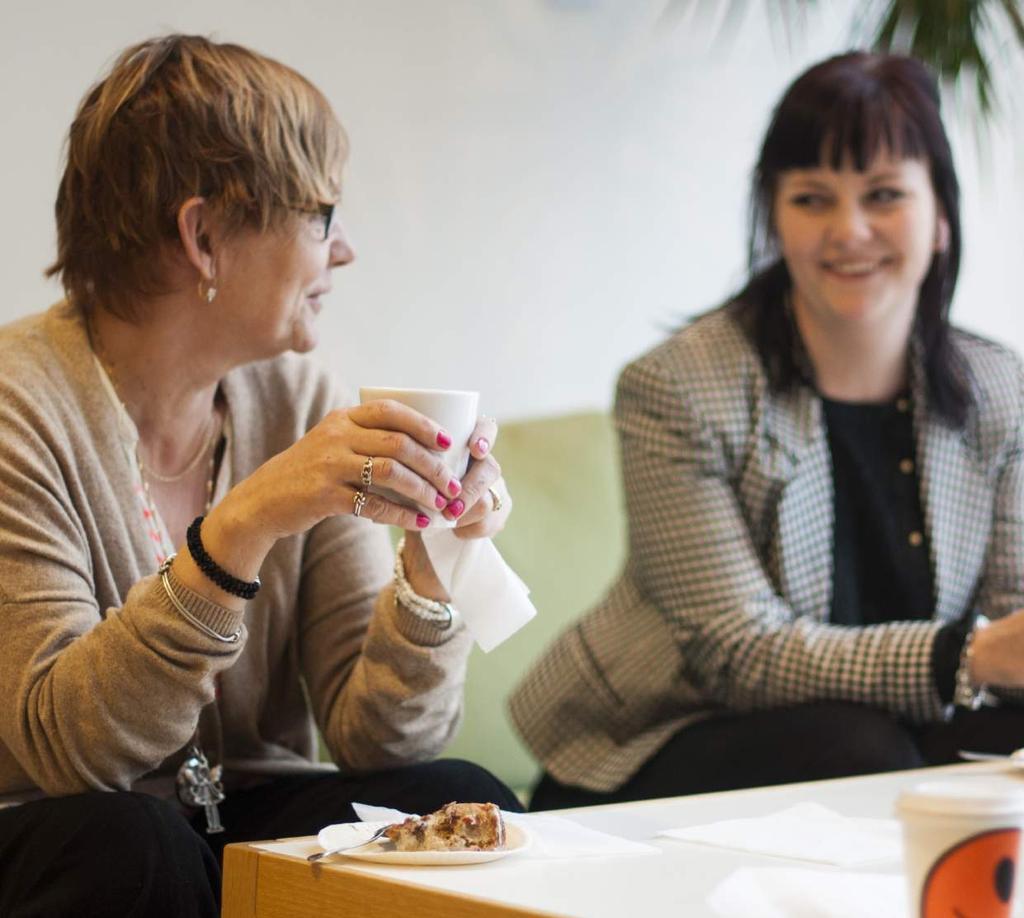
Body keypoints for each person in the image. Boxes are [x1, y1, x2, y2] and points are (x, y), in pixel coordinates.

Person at [0, 34, 520, 916]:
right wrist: (241, 527)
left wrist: (427, 570)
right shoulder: (21, 406)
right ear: (203, 237)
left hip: (226, 809)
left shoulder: (293, 395)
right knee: (138, 846)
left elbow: (376, 741)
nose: (344, 249)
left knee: (459, 796)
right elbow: (72, 755)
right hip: (54, 828)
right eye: (321, 216)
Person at [510, 51, 1024, 811]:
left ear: (941, 216)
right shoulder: (677, 386)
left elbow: (1012, 612)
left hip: (892, 734)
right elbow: (737, 651)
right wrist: (972, 654)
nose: (849, 232)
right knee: (862, 749)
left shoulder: (998, 389)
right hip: (666, 739)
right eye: (813, 199)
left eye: (884, 195)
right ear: (774, 217)